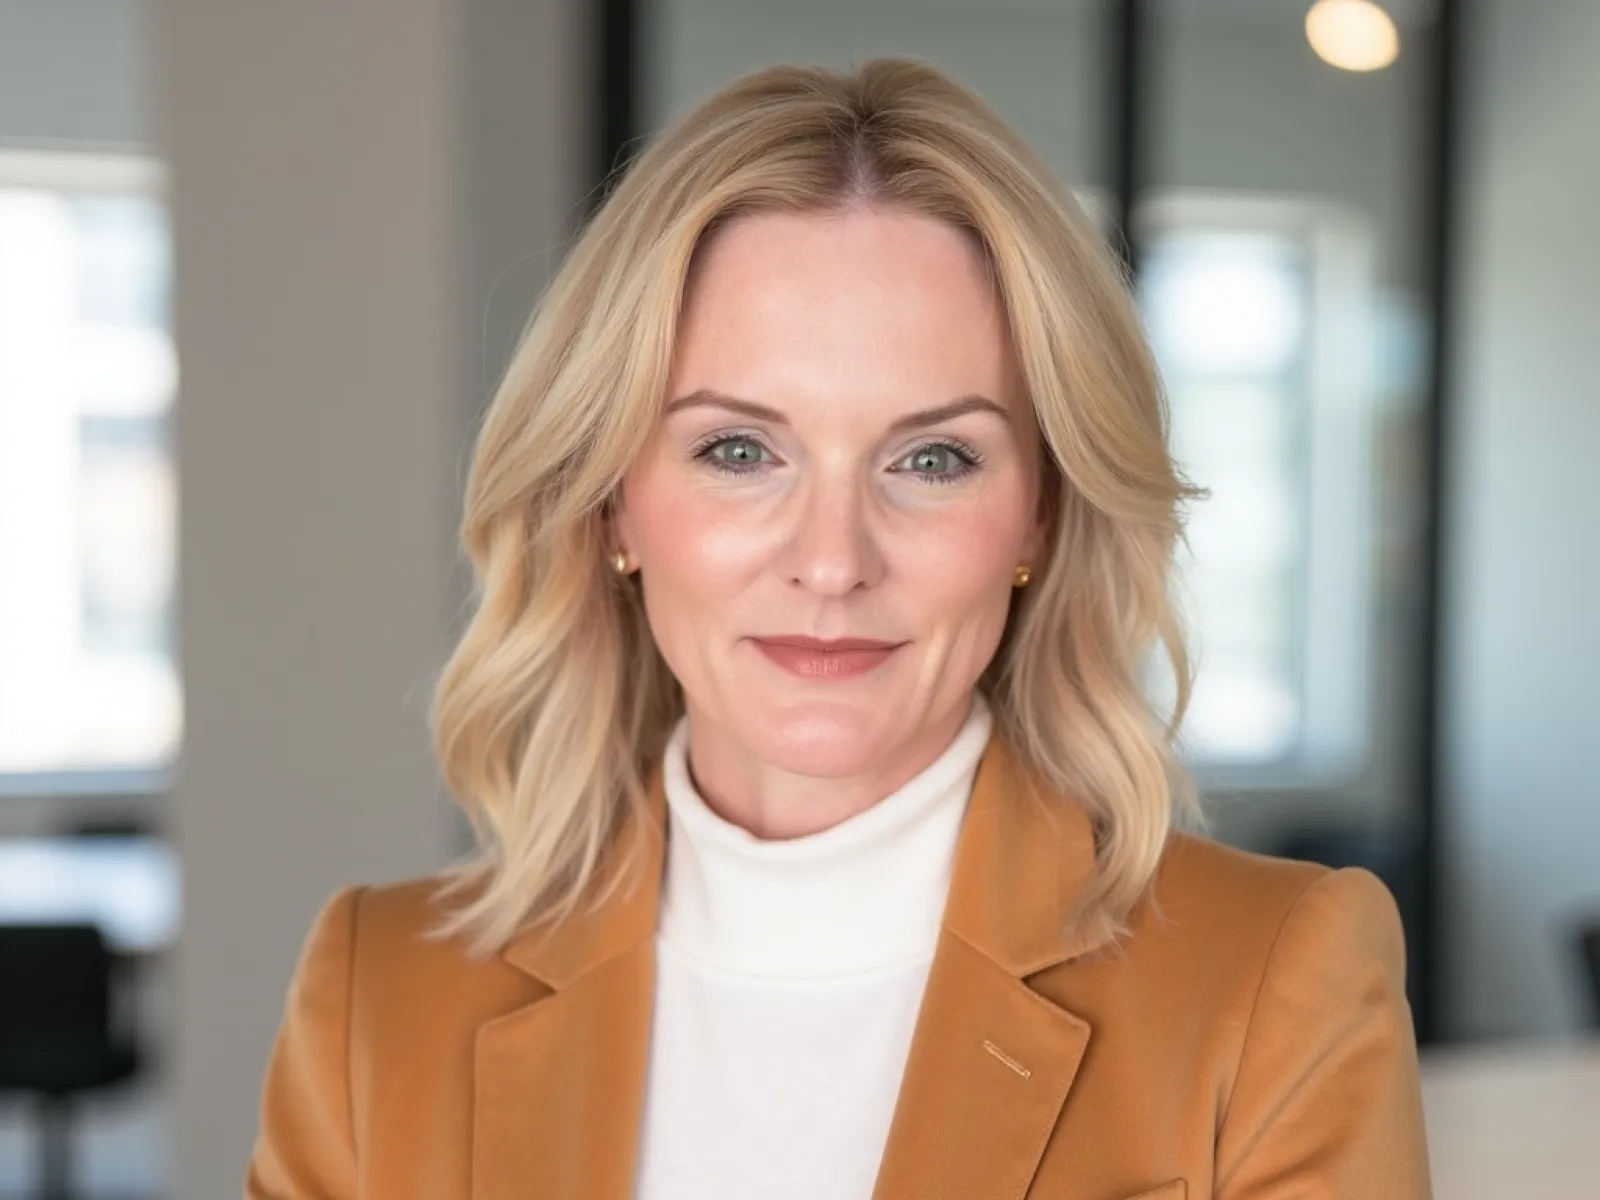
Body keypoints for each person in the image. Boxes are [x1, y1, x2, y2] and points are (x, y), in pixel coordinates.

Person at [245, 57, 1430, 1200]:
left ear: (1037, 516)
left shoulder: (1273, 979)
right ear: (612, 501)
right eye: (738, 450)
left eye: (932, 458)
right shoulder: (377, 995)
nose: (830, 560)